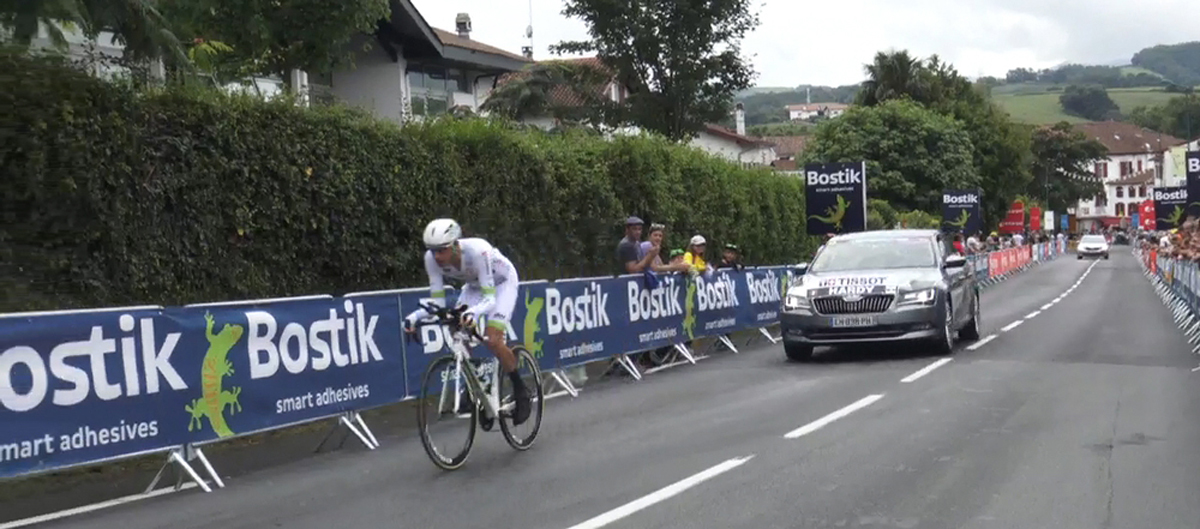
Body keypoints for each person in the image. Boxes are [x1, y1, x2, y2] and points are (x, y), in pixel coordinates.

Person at [403, 218, 531, 425]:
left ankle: (520, 390)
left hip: (502, 283)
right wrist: (414, 317)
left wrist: (472, 313)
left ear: (455, 245)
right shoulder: (431, 259)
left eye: (442, 250)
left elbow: (490, 299)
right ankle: (476, 389)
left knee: (493, 340)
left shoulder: (478, 251)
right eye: (433, 251)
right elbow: (437, 302)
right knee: (457, 330)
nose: (437, 256)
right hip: (474, 287)